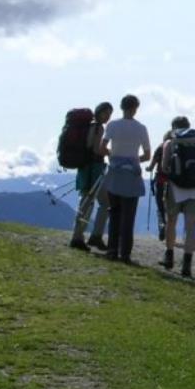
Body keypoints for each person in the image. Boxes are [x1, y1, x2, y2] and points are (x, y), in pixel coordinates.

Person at [99, 94, 151, 263]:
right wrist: (134, 160)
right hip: (132, 176)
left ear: (121, 107)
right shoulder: (141, 128)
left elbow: (102, 148)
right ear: (135, 108)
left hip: (114, 173)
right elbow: (147, 155)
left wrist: (113, 156)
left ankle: (112, 250)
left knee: (114, 212)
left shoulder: (112, 125)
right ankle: (125, 253)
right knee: (129, 216)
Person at [160, 117, 195, 278]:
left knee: (171, 222)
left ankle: (169, 257)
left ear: (173, 127)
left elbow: (164, 167)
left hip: (175, 189)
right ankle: (187, 266)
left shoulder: (169, 143)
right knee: (191, 228)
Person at [68, 102, 113, 251]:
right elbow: (97, 149)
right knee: (104, 203)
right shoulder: (99, 128)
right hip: (94, 168)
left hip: (84, 167)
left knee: (85, 201)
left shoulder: (88, 126)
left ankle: (78, 236)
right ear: (99, 112)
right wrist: (111, 152)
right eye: (106, 113)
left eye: (109, 114)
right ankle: (93, 236)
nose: (108, 117)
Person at [146, 131, 173, 242]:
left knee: (160, 205)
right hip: (172, 182)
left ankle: (162, 224)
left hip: (160, 181)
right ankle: (170, 231)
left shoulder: (160, 148)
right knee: (171, 207)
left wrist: (148, 168)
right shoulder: (176, 148)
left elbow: (152, 166)